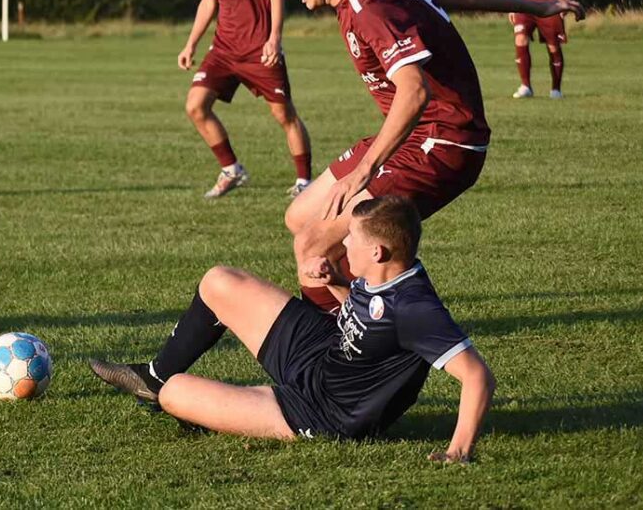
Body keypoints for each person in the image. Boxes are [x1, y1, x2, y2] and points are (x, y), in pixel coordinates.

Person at [271, 0, 585, 312]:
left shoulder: (371, 4)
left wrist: (364, 172)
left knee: (314, 245)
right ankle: (366, 315)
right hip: (417, 136)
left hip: (445, 143)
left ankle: (342, 345)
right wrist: (538, 7)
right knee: (301, 218)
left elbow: (414, 91)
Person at [89, 195, 495, 461]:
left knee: (177, 394)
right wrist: (335, 282)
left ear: (377, 250)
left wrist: (458, 451)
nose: (345, 244)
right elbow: (372, 325)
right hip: (323, 353)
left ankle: (195, 401)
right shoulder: (386, 273)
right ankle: (153, 376)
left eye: (352, 238)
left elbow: (477, 376)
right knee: (220, 281)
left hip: (324, 411)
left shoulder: (416, 307)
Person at [177, 0, 313, 199]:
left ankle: (304, 181)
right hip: (223, 49)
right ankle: (232, 169)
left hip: (258, 49)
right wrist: (190, 44)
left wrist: (274, 39)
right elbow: (209, 0)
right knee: (195, 106)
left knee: (284, 115)